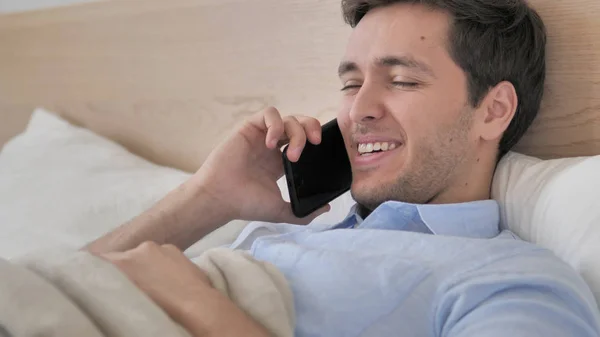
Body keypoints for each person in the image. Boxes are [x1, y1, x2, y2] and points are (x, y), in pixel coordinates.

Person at [88, 0, 600, 336]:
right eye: (351, 84)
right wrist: (208, 198)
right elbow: (56, 281)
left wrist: (192, 304)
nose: (358, 111)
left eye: (401, 80)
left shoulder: (511, 280)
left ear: (493, 110)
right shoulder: (290, 226)